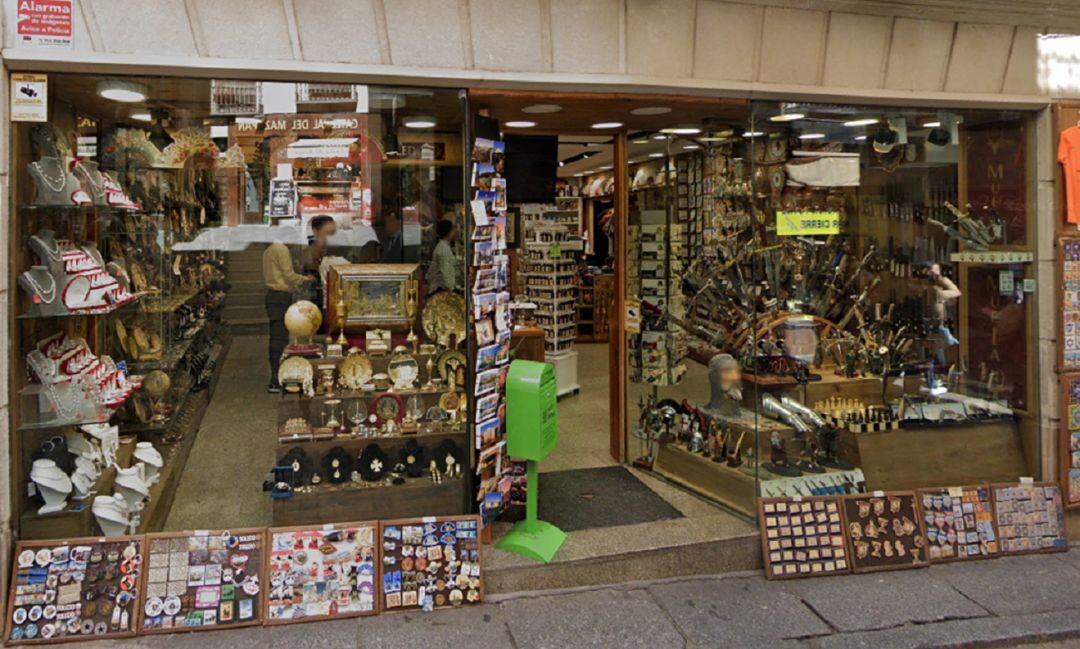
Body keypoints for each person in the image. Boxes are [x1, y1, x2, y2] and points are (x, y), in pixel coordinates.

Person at [263, 239, 313, 393]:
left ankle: (277, 374)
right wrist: (306, 279)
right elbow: (288, 275)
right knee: (279, 337)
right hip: (280, 296)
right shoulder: (281, 249)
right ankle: (275, 378)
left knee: (277, 335)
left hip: (272, 295)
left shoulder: (268, 250)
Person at [299, 215, 337, 305]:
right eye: (328, 232)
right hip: (311, 301)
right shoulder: (306, 254)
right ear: (315, 232)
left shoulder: (337, 252)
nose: (332, 236)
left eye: (333, 233)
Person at [426, 219, 459, 296]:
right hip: (439, 289)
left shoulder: (443, 246)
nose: (455, 232)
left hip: (438, 287)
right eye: (453, 229)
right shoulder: (444, 249)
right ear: (449, 232)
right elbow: (446, 272)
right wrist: (452, 290)